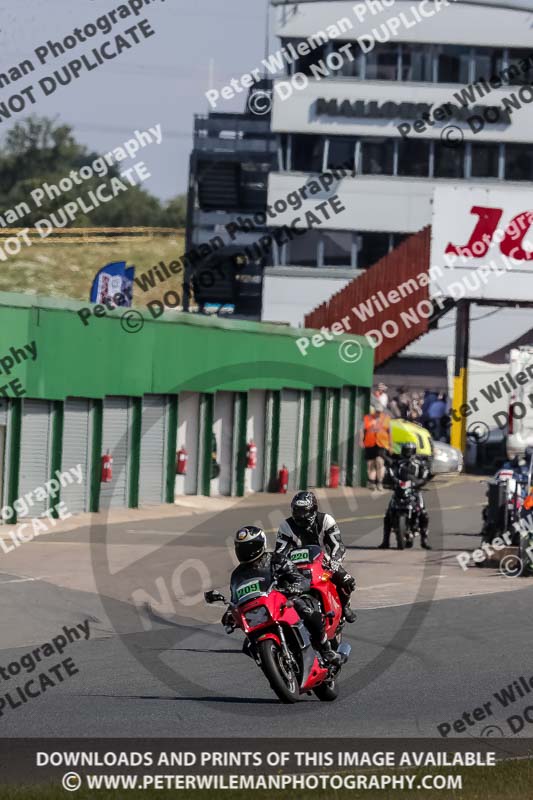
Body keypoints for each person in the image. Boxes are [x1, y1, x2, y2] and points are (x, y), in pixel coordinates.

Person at [225, 525, 341, 664]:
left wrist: (294, 588)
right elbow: (235, 598)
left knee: (308, 612)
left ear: (260, 544)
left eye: (249, 547)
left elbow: (299, 579)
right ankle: (271, 662)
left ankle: (325, 648)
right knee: (248, 645)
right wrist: (229, 613)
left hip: (285, 600)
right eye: (241, 547)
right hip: (259, 611)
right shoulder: (237, 575)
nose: (245, 551)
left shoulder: (276, 560)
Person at [275, 491, 357, 623]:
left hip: (324, 561)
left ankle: (344, 605)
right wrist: (279, 567)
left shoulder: (326, 520)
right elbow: (280, 551)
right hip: (296, 565)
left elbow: (338, 545)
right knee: (279, 585)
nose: (300, 515)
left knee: (348, 582)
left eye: (303, 511)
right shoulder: (286, 526)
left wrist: (335, 559)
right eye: (296, 511)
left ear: (313, 509)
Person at [379, 442, 431, 549]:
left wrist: (419, 482)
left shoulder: (419, 463)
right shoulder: (397, 463)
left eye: (409, 451)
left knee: (423, 513)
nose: (407, 453)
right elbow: (390, 473)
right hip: (400, 490)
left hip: (414, 491)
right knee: (388, 514)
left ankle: (424, 539)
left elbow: (424, 475)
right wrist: (391, 481)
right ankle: (385, 541)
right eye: (406, 450)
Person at [360, 403, 392, 492]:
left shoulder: (386, 419)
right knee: (371, 464)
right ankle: (372, 482)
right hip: (370, 444)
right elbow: (362, 430)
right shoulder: (367, 418)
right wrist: (361, 441)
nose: (378, 413)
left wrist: (391, 445)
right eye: (377, 411)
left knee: (379, 462)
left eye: (380, 412)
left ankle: (380, 482)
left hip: (382, 444)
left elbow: (390, 433)